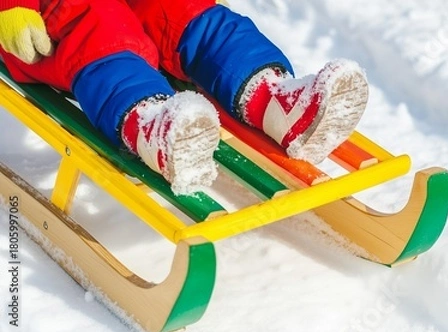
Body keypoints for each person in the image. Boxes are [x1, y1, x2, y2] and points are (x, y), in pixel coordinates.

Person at [0, 0, 369, 195]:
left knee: (189, 14)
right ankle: (149, 126)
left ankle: (276, 100)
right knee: (99, 27)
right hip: (42, 22)